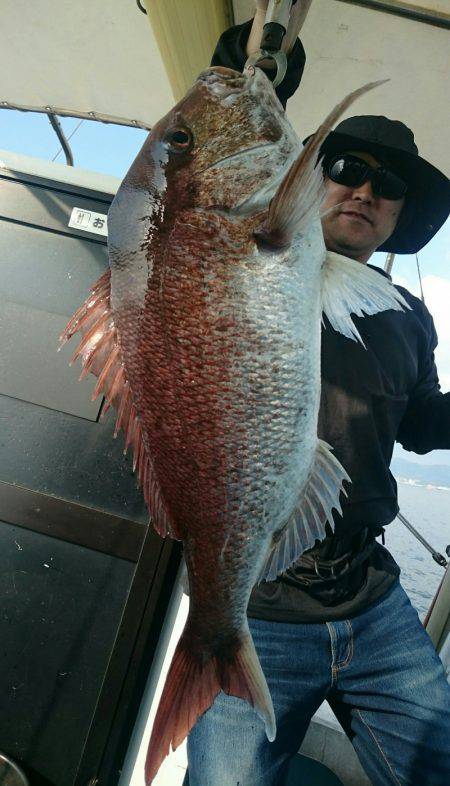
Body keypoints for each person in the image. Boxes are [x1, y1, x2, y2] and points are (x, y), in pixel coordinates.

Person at [184, 3, 450, 784]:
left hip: (372, 596)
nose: (365, 190)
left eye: (388, 184)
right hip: (261, 604)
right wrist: (243, 73)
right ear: (309, 178)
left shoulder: (406, 314)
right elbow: (214, 187)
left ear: (399, 215)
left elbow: (423, 425)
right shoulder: (255, 258)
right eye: (344, 168)